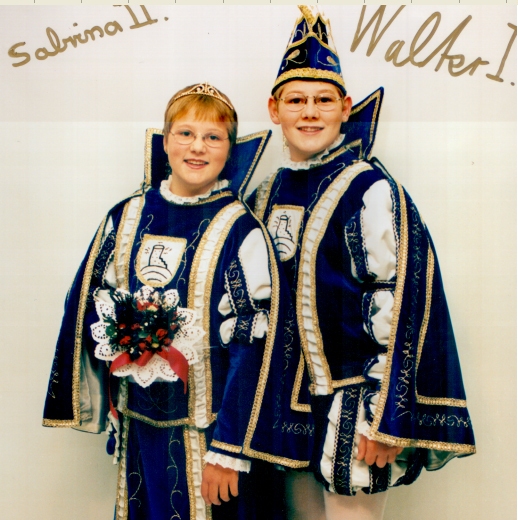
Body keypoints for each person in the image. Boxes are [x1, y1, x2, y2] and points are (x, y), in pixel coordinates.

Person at [248, 7, 476, 520]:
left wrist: (386, 415)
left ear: (345, 108)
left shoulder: (369, 189)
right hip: (285, 406)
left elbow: (401, 303)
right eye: (296, 100)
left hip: (355, 404)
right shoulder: (265, 193)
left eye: (323, 100)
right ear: (275, 109)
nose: (310, 112)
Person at [42, 82, 308, 520]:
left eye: (213, 137)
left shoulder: (239, 228)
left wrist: (229, 450)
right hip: (139, 428)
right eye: (185, 133)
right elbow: (91, 305)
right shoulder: (127, 215)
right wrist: (125, 335)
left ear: (229, 149)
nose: (197, 147)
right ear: (165, 142)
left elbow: (255, 345)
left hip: (211, 436)